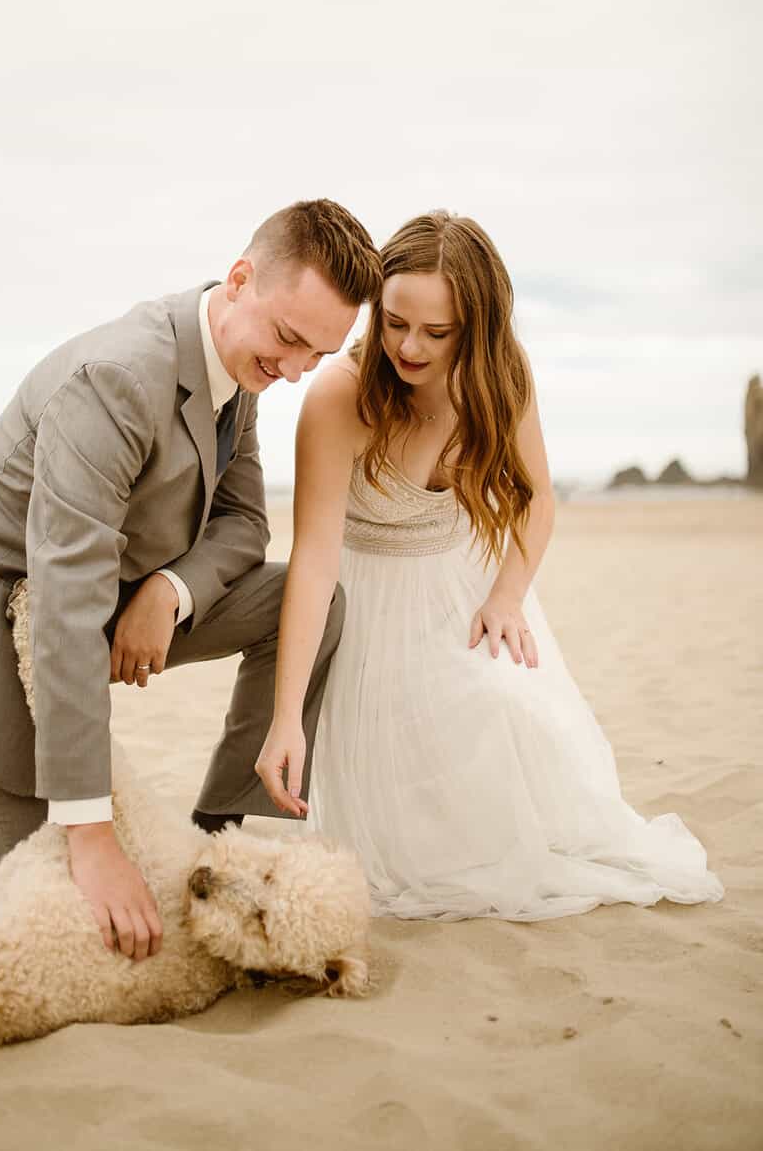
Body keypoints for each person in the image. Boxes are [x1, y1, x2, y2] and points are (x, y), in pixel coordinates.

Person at [0, 199, 382, 957]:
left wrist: (170, 592)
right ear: (241, 279)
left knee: (309, 603)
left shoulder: (240, 368)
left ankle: (212, 836)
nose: (292, 374)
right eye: (289, 339)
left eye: (317, 356)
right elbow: (62, 596)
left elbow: (245, 526)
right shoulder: (118, 378)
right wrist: (90, 836)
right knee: (61, 911)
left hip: (114, 604)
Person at [254, 211, 723, 921]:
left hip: (466, 593)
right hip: (370, 612)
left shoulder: (502, 378)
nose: (409, 346)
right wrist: (288, 716)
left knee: (509, 715)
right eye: (394, 322)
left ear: (475, 328)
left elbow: (536, 502)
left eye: (436, 333)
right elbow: (314, 562)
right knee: (406, 849)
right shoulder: (338, 396)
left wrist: (508, 595)